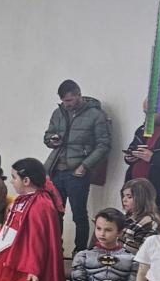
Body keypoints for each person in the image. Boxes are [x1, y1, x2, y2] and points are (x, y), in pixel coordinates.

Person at [43, 80, 111, 252]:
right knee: (55, 214)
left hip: (77, 172)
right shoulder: (58, 112)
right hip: (56, 169)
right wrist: (52, 140)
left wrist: (85, 166)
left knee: (79, 215)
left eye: (69, 100)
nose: (66, 104)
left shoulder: (96, 115)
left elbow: (104, 145)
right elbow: (48, 136)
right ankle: (55, 250)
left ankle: (79, 252)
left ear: (79, 95)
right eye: (63, 101)